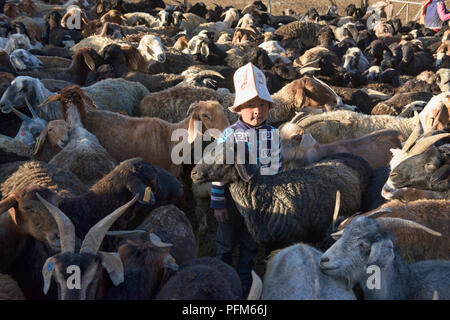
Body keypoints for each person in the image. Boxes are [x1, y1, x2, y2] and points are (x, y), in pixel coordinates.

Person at [210, 62, 282, 295]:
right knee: (226, 243)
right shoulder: (229, 135)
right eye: (250, 105)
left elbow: (275, 169)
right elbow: (218, 170)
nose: (257, 111)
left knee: (251, 244)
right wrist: (219, 202)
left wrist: (269, 199)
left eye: (262, 105)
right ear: (239, 108)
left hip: (258, 202)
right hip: (232, 201)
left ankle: (244, 281)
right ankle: (222, 278)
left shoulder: (273, 135)